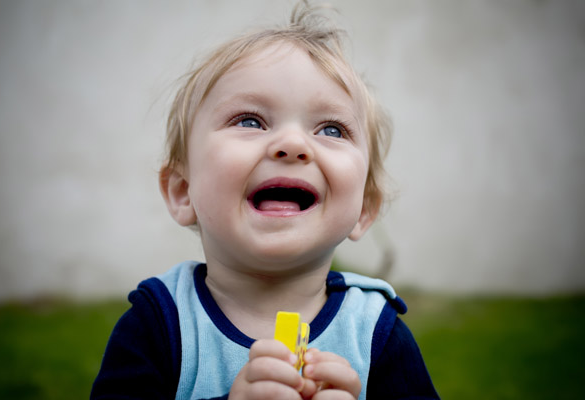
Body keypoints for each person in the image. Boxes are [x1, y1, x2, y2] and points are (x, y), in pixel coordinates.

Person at [91, 2, 439, 399]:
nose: (292, 144)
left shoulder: (376, 331)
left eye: (331, 129)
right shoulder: (158, 323)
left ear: (363, 208)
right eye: (250, 121)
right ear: (182, 191)